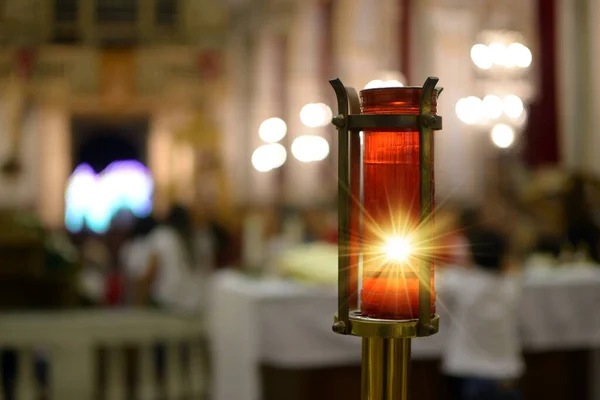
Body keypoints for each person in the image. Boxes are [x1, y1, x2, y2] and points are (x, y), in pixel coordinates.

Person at [439, 228, 523, 400]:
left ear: (471, 253)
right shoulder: (511, 285)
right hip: (505, 374)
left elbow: (436, 283)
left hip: (468, 370)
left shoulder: (458, 282)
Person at [134, 205, 206, 314]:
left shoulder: (162, 236)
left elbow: (150, 273)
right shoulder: (202, 238)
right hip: (197, 305)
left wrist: (139, 302)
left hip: (167, 303)